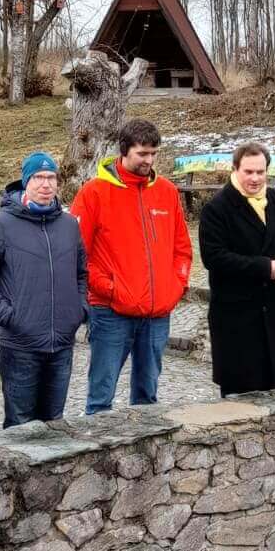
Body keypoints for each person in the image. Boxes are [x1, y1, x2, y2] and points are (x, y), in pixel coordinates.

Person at [71, 118, 192, 413]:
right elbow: (76, 254)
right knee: (101, 397)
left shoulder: (166, 191)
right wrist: (110, 289)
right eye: (142, 154)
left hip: (156, 313)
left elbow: (182, 248)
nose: (149, 160)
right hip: (110, 312)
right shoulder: (94, 193)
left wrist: (175, 287)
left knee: (147, 397)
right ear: (124, 151)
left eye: (153, 153)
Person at [0, 151, 88, 428]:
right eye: (38, 178)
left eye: (51, 177)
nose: (45, 184)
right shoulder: (1, 225)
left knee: (54, 423)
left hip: (61, 345)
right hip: (20, 346)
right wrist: (9, 316)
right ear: (26, 182)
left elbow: (82, 273)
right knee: (20, 426)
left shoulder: (69, 226)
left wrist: (78, 310)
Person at [199, 141, 275, 397]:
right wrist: (265, 267)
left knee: (274, 397)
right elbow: (214, 257)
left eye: (260, 172)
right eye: (249, 172)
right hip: (235, 318)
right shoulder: (216, 208)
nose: (255, 178)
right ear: (236, 169)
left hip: (272, 312)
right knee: (240, 401)